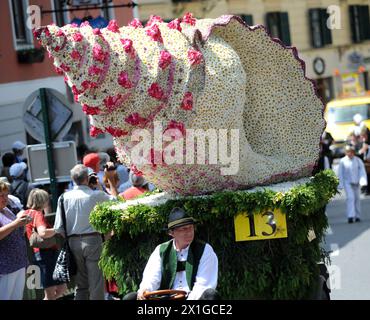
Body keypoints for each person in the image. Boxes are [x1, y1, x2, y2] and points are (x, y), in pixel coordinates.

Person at [123, 207, 219, 300]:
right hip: (165, 298)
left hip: (193, 299)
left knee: (210, 295)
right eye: (183, 229)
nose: (189, 232)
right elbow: (152, 277)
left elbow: (203, 285)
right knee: (130, 298)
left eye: (190, 228)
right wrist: (145, 290)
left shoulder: (205, 250)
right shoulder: (161, 250)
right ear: (171, 233)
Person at [53, 164, 118, 300]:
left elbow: (58, 228)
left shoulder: (63, 198)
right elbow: (116, 202)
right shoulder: (96, 195)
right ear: (87, 179)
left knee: (81, 284)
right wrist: (110, 180)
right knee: (96, 283)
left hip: (72, 242)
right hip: (93, 240)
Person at [24, 189, 67, 300]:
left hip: (40, 255)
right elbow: (43, 233)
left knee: (60, 289)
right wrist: (58, 229)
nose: (48, 201)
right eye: (47, 198)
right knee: (50, 294)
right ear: (42, 200)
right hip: (46, 255)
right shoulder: (38, 214)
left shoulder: (27, 213)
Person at [0, 180, 29, 300]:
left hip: (18, 263)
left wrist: (22, 221)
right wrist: (16, 223)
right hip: (5, 266)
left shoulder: (7, 210)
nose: (5, 198)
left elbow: (17, 231)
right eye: (1, 195)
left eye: (6, 195)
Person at [338, 145, 368, 223]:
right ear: (346, 153)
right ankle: (350, 216)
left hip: (356, 182)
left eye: (351, 152)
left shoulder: (358, 160)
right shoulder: (342, 161)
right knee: (351, 198)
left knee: (357, 199)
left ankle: (357, 216)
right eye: (348, 152)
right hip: (347, 182)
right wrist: (340, 184)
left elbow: (362, 171)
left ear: (353, 153)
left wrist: (363, 181)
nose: (350, 154)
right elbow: (340, 173)